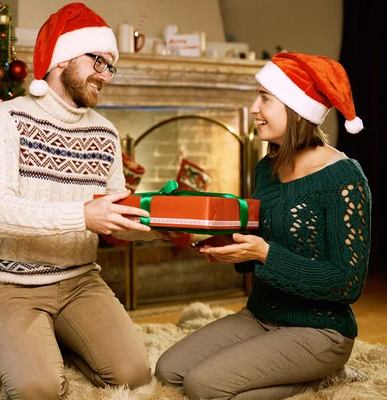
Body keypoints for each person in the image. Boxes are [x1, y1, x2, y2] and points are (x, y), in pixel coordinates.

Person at [0, 3, 169, 399]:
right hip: (13, 285)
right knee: (38, 390)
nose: (105, 76)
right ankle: (24, 343)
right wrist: (82, 215)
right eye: (98, 61)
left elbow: (112, 219)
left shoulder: (106, 134)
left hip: (81, 281)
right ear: (61, 59)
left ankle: (56, 341)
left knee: (133, 376)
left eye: (111, 67)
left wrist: (163, 230)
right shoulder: (6, 118)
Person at [155, 52, 372, 399]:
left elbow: (347, 282)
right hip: (260, 316)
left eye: (265, 98)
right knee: (169, 372)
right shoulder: (267, 168)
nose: (254, 108)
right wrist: (211, 239)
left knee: (204, 385)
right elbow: (259, 238)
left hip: (320, 330)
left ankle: (318, 380)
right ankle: (300, 380)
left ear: (296, 108)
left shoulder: (344, 178)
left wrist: (266, 254)